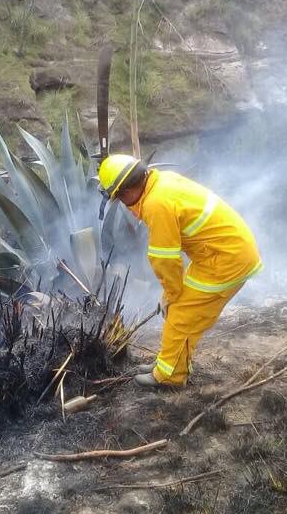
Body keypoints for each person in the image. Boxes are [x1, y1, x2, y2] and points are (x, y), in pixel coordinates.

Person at [98, 155, 262, 389]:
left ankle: (170, 377)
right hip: (220, 253)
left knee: (181, 315)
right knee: (182, 313)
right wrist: (172, 295)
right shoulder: (160, 182)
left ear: (125, 191)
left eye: (121, 198)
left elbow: (164, 259)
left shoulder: (157, 204)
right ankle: (170, 362)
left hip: (226, 260)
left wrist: (171, 294)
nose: (125, 205)